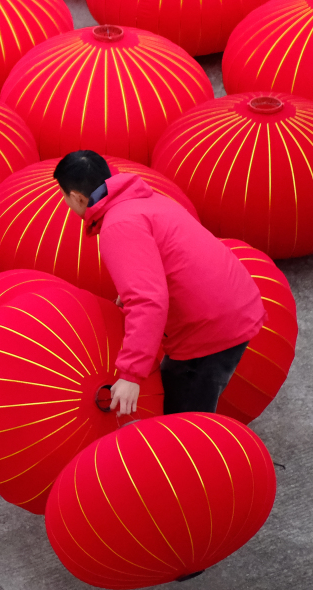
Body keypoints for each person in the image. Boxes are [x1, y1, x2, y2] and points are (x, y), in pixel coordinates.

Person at [54, 150, 266, 416]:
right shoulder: (142, 198)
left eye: (64, 196)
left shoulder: (118, 225)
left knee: (182, 420)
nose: (66, 203)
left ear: (77, 197)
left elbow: (148, 301)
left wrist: (130, 375)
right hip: (230, 304)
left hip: (209, 329)